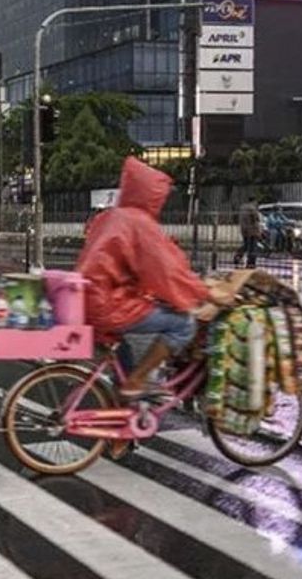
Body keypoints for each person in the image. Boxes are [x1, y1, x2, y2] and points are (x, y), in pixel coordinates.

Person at [76, 157, 231, 402]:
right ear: (151, 195)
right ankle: (138, 381)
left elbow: (131, 267)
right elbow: (166, 271)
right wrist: (208, 293)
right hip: (107, 304)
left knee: (123, 365)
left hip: (85, 298)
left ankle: (121, 428)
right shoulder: (139, 223)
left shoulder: (111, 217)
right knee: (183, 324)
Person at [235, 197, 262, 268]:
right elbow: (256, 219)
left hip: (244, 230)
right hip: (252, 230)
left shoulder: (242, 207)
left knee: (246, 245)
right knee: (253, 247)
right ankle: (251, 262)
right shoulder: (252, 208)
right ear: (254, 201)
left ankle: (238, 255)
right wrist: (259, 231)